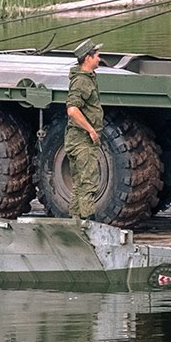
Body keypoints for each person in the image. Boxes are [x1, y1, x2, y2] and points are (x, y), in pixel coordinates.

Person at [65, 40, 105, 221]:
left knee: (79, 185)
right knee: (88, 184)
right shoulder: (81, 81)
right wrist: (90, 130)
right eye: (97, 56)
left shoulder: (87, 77)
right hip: (81, 141)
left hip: (76, 140)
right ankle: (89, 224)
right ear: (88, 58)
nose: (99, 59)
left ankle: (75, 224)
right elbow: (72, 109)